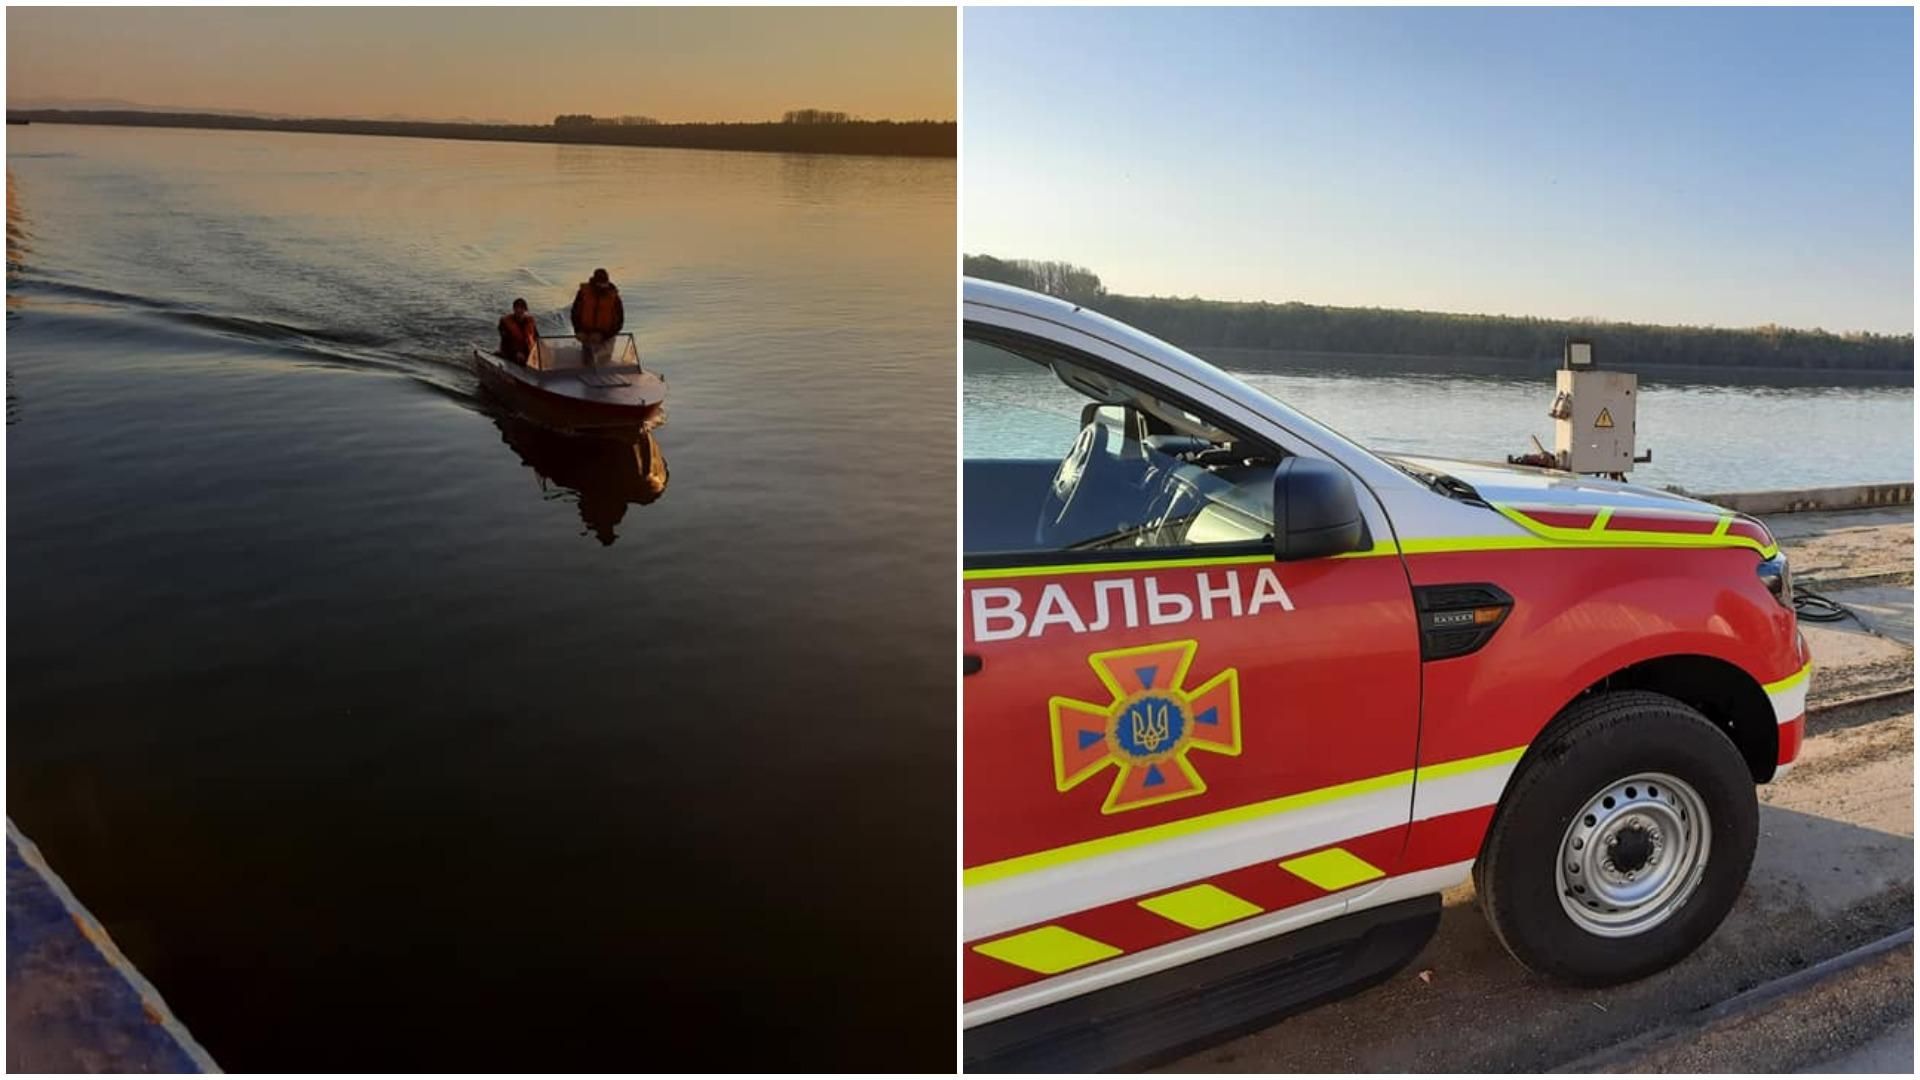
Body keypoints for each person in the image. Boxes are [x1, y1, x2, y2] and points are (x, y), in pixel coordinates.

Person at [570, 268, 625, 364]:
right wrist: (578, 331)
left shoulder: (614, 297)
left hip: (607, 337)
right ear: (594, 282)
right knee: (587, 362)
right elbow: (575, 314)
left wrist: (604, 336)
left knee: (603, 363)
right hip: (587, 336)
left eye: (604, 283)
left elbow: (619, 321)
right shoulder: (583, 294)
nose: (602, 287)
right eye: (600, 284)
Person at [497, 298, 540, 366]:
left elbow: (537, 339)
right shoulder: (505, 323)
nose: (519, 310)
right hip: (511, 352)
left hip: (528, 353)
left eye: (522, 308)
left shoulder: (530, 322)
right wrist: (516, 352)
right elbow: (506, 341)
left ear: (525, 310)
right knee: (521, 359)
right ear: (513, 309)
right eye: (517, 308)